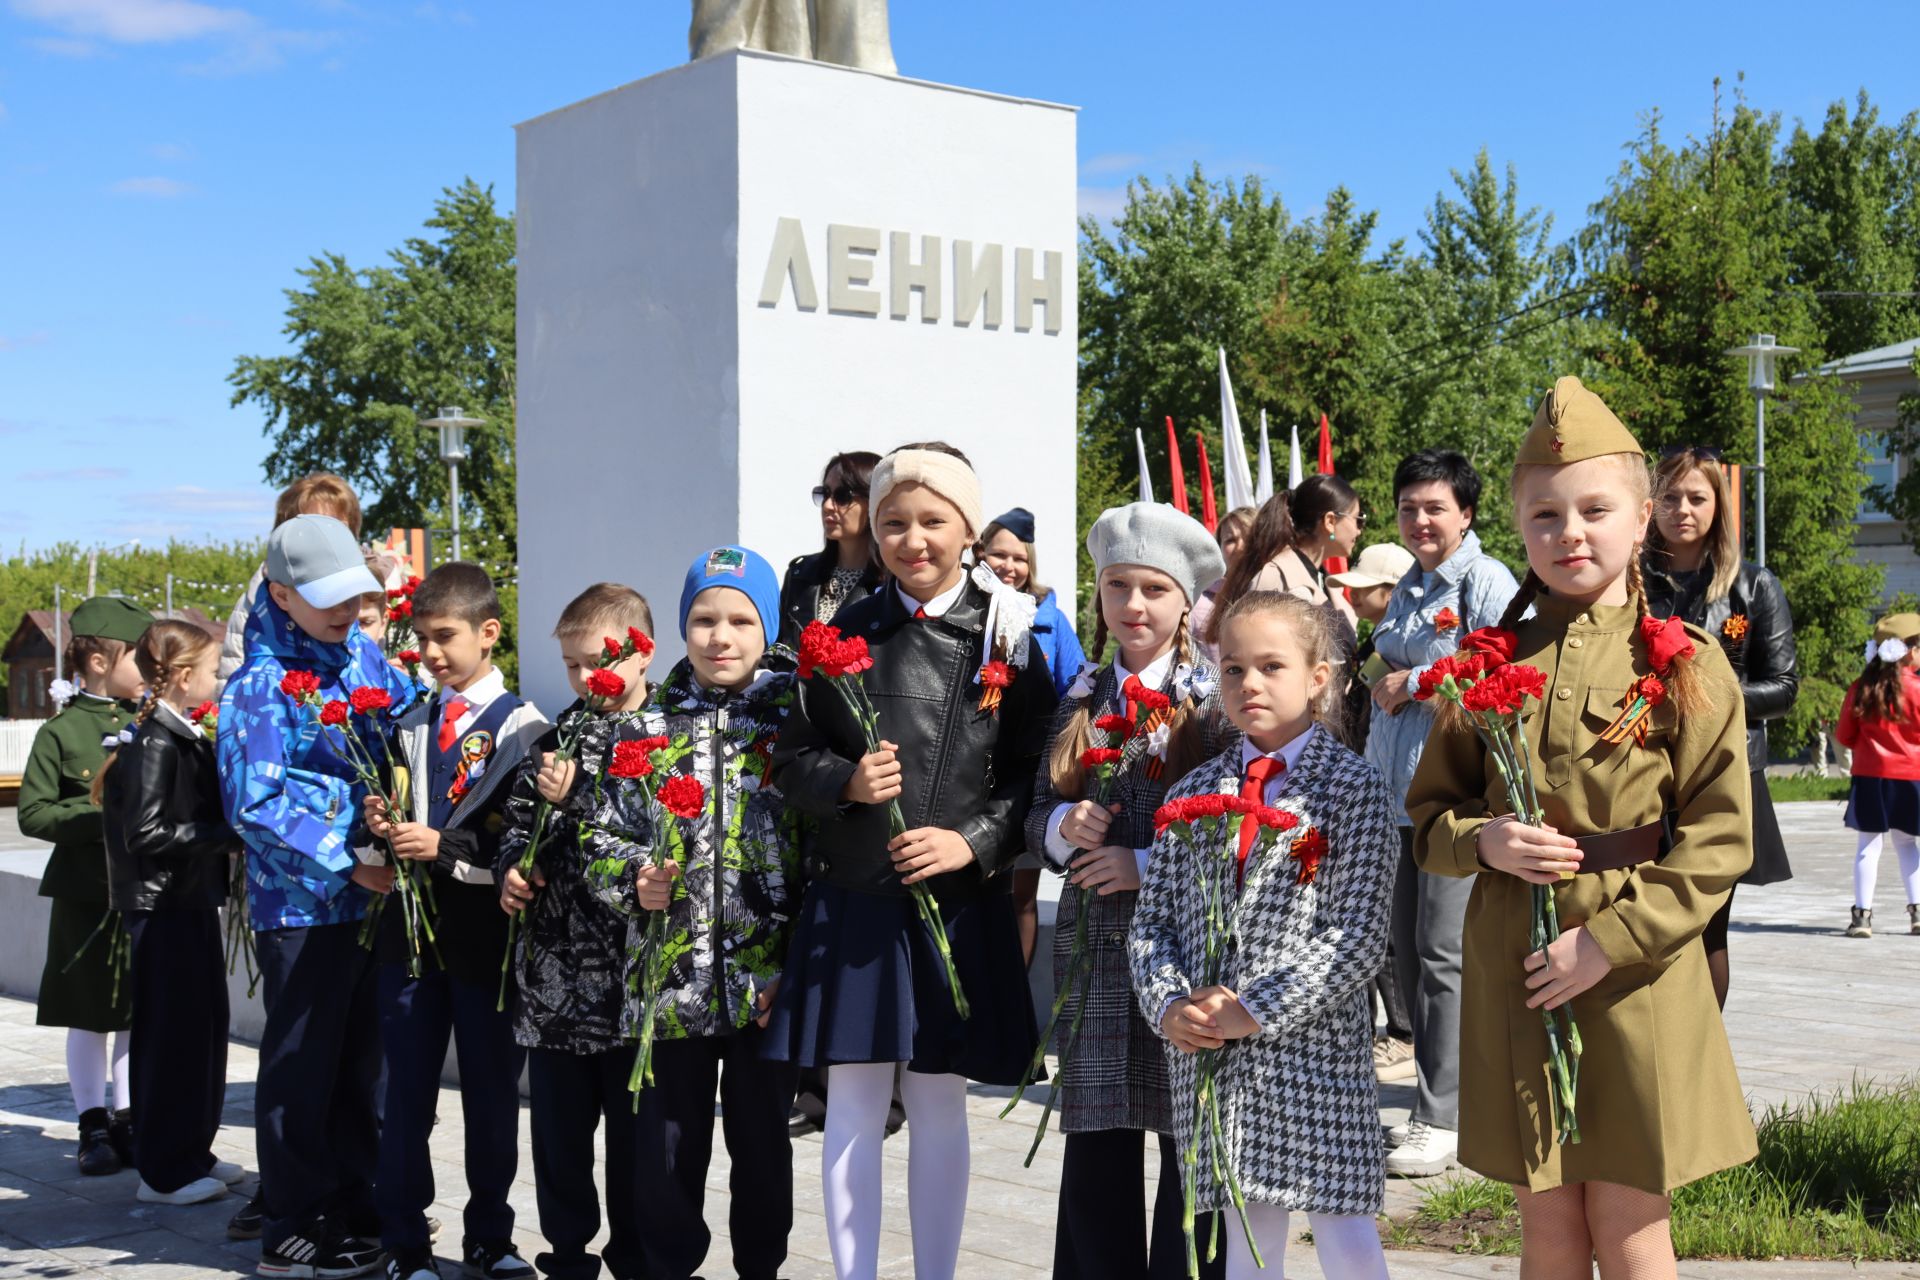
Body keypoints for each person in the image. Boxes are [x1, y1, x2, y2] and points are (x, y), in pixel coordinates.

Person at [1406, 376, 1757, 1278]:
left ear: (1644, 517)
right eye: (1546, 517)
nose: (1571, 534)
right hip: (1517, 966)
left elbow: (1720, 836)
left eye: (1595, 510)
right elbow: (1429, 819)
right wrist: (1480, 841)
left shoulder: (1687, 662)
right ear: (1518, 529)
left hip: (1638, 968)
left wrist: (1611, 940)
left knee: (1634, 1229)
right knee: (1550, 1228)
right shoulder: (1480, 665)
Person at [767, 442, 1054, 1280]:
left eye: (934, 521)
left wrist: (973, 841)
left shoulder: (1013, 631)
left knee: (937, 1100)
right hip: (857, 897)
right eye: (894, 521)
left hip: (957, 904)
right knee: (850, 1103)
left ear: (969, 528)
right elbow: (789, 760)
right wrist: (847, 782)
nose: (912, 538)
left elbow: (1037, 767)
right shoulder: (839, 631)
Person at [1130, 590, 1397, 1280]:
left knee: (1345, 1236)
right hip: (1214, 1060)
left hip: (1314, 1054)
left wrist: (1256, 1006)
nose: (1249, 684)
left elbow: (1358, 934)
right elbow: (1153, 921)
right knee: (1246, 1241)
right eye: (1233, 669)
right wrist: (1169, 1005)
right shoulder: (1193, 790)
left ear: (1318, 678)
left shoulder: (1353, 787)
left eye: (1271, 667)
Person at [586, 547, 802, 1280]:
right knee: (665, 1151)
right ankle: (667, 1267)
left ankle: (760, 1267)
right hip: (667, 986)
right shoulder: (642, 729)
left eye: (741, 619)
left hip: (761, 987)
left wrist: (794, 964)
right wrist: (633, 876)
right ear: (681, 629)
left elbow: (822, 853)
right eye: (704, 618)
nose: (721, 636)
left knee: (764, 1148)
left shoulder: (791, 728)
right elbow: (599, 835)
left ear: (766, 629)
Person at [1026, 501, 1228, 1280]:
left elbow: (1231, 824)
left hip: (1184, 951)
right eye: (1117, 587)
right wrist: (1060, 828)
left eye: (1152, 589)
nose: (1133, 606)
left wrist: (1144, 863)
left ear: (1185, 603)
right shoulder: (1079, 697)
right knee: (1098, 1144)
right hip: (1096, 954)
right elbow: (1032, 813)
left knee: (1188, 1142)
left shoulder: (1211, 703)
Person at [219, 515, 422, 1278]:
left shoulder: (363, 655)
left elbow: (411, 726)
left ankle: (357, 1200)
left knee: (360, 1065)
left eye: (355, 597)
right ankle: (293, 1222)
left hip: (371, 904)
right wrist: (348, 858)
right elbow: (256, 802)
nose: (346, 612)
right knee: (304, 1066)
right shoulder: (260, 684)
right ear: (280, 593)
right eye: (329, 600)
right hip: (303, 909)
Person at [362, 564, 548, 1280]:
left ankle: (489, 1236)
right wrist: (379, 822)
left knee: (493, 1097)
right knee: (404, 1096)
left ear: (488, 633)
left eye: (445, 638)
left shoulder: (528, 730)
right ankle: (403, 1243)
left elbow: (523, 840)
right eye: (422, 640)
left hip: (486, 940)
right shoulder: (407, 719)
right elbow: (376, 809)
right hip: (406, 942)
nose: (432, 654)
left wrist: (447, 850)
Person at [495, 584, 656, 1280]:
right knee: (559, 1138)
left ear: (642, 653)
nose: (586, 680)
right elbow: (516, 825)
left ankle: (634, 1255)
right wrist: (510, 872)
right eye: (571, 666)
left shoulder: (667, 740)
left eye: (600, 661)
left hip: (632, 987)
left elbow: (657, 837)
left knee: (634, 1141)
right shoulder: (555, 739)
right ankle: (565, 1253)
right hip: (555, 986)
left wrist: (582, 798)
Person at [1364, 448, 1517, 1177]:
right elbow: (1383, 669)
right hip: (1396, 802)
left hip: (1454, 805)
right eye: (1408, 509)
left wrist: (1416, 679)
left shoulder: (1486, 582)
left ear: (1467, 514)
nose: (1420, 521)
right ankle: (1440, 1103)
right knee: (1412, 962)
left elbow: (1506, 667)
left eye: (1434, 508)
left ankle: (1442, 1116)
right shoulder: (1410, 589)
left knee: (1444, 960)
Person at [1643, 447, 1799, 1001]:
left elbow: (1783, 689)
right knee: (1642, 922)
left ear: (1719, 505)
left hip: (1724, 771)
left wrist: (1701, 692)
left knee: (1707, 927)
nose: (1681, 508)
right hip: (1641, 770)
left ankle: (1699, 1069)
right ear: (1649, 503)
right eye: (1668, 496)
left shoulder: (1753, 586)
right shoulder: (1628, 581)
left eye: (1696, 497)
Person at [99, 620, 243, 1206]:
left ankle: (191, 1150)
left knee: (202, 1031)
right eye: (211, 670)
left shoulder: (175, 732)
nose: (217, 678)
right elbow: (147, 831)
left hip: (185, 901)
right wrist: (228, 835)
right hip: (160, 908)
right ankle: (162, 1170)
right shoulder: (154, 741)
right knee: (169, 1038)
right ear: (184, 677)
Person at [22, 595, 151, 1177]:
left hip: (143, 890)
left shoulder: (146, 723)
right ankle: (92, 1123)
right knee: (90, 1012)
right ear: (99, 660)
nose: (148, 672)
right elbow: (35, 814)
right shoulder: (61, 732)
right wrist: (101, 817)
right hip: (84, 890)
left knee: (134, 1008)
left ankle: (129, 1119)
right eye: (138, 659)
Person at [1325, 539, 1420, 1083]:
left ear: (1393, 589)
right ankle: (1399, 1033)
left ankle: (1406, 1036)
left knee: (1397, 928)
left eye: (1365, 589)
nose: (1354, 597)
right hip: (1372, 790)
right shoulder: (1376, 644)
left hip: (1400, 799)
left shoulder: (1401, 655)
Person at [979, 505, 1087, 968]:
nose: (1009, 566)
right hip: (971, 769)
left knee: (1021, 896)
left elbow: (1075, 689)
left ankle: (1017, 1004)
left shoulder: (1051, 618)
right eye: (999, 554)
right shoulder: (966, 607)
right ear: (979, 553)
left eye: (1019, 558)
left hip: (1026, 771)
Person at [220, 473, 363, 683]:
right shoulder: (255, 605)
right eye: (315, 527)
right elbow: (233, 676)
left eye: (339, 526)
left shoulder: (373, 587)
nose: (329, 536)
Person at [1835, 612, 1920, 939]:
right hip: (1912, 776)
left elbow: (1844, 736)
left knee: (1868, 845)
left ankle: (1862, 917)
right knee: (1907, 843)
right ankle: (1916, 912)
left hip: (1871, 777)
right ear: (1909, 651)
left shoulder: (1860, 688)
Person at [1212, 476, 1363, 639]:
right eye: (1358, 520)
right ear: (1330, 521)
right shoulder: (1276, 578)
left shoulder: (1319, 578)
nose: (1359, 530)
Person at [778, 451, 884, 648]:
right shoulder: (800, 575)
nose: (827, 506)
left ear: (874, 503)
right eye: (824, 494)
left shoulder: (893, 584)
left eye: (843, 496)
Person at [1188, 506, 1255, 663]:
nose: (1240, 547)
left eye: (1248, 537)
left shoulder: (1280, 591)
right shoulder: (1197, 602)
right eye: (1230, 540)